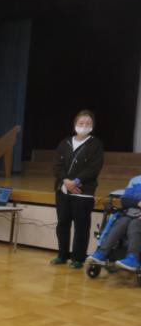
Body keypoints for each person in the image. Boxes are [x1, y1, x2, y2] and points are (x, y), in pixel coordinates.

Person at [51, 110, 104, 269]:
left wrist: (75, 182)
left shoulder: (96, 144)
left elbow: (94, 168)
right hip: (63, 190)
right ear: (75, 124)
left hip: (83, 192)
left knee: (81, 226)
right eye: (81, 123)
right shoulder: (65, 143)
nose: (84, 126)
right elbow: (57, 166)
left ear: (92, 126)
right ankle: (62, 255)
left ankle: (78, 258)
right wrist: (65, 181)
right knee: (63, 223)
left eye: (88, 124)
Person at [87, 174, 141, 271]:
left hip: (137, 219)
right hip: (131, 213)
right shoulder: (135, 180)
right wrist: (137, 203)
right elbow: (125, 200)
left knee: (135, 224)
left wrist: (134, 202)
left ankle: (133, 258)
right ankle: (101, 253)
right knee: (122, 221)